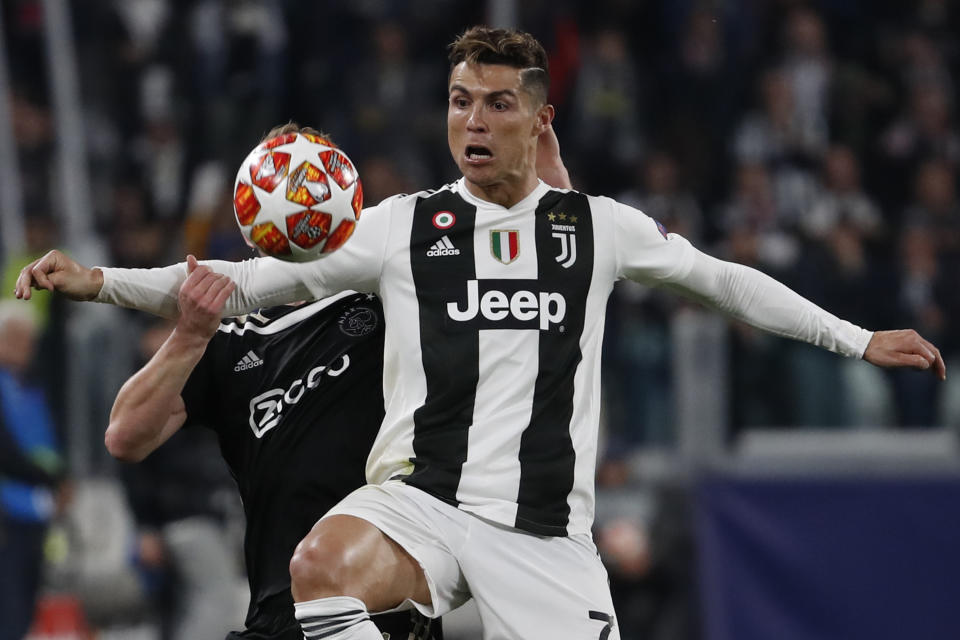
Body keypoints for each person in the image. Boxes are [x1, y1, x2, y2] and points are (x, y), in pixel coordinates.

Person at [16, 26, 945, 640]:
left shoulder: (596, 228)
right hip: (423, 501)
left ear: (539, 120)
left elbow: (725, 282)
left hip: (544, 532)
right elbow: (241, 280)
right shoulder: (400, 227)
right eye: (461, 100)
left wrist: (855, 339)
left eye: (498, 103)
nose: (474, 119)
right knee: (319, 568)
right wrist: (96, 281)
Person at [102, 124, 444, 640]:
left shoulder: (382, 304)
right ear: (251, 220)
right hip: (279, 611)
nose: (301, 201)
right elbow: (125, 436)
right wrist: (190, 334)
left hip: (385, 605)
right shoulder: (229, 339)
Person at [0, 301, 66, 640]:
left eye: (29, 339)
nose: (26, 347)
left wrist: (57, 480)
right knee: (8, 612)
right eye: (17, 338)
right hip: (6, 516)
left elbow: (47, 445)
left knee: (25, 611)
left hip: (35, 513)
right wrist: (50, 476)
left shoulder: (30, 387)